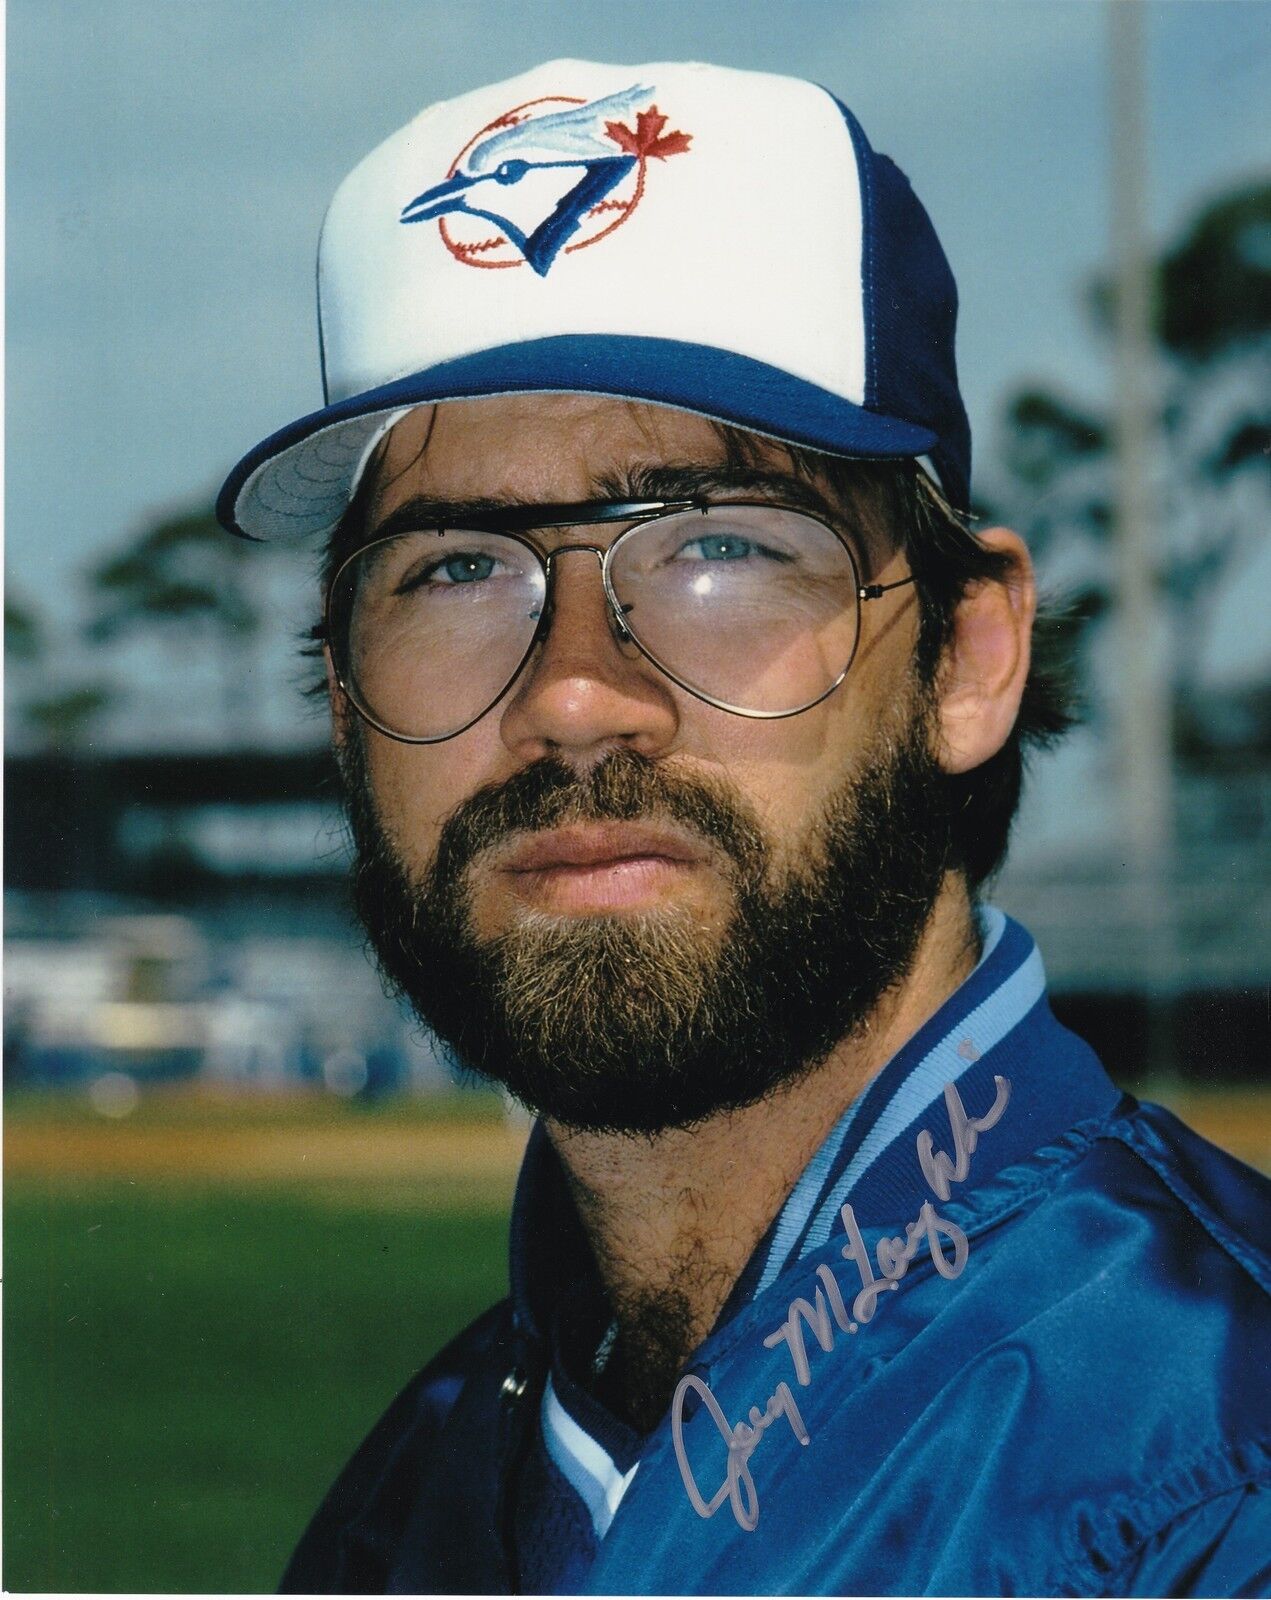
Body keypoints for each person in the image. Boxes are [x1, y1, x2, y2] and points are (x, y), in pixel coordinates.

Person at [218, 59, 1269, 1597]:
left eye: (720, 547)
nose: (575, 695)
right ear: (335, 695)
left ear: (969, 660)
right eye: (454, 569)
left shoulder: (1221, 1470)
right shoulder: (416, 1500)